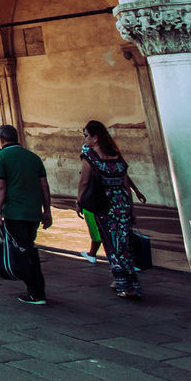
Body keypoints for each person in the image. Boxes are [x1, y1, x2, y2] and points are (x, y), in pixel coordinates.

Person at [77, 119, 146, 299]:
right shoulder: (115, 154)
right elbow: (124, 179)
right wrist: (131, 201)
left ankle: (125, 285)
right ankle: (124, 281)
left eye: (86, 136)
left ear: (95, 137)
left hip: (104, 204)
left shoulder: (91, 157)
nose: (85, 140)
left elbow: (84, 181)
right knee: (124, 244)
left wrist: (79, 201)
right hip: (121, 202)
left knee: (111, 244)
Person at [0, 124, 53, 305]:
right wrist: (47, 210)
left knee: (24, 252)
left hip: (14, 212)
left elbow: (0, 187)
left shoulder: (0, 157)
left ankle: (36, 292)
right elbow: (44, 186)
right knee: (28, 247)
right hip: (33, 213)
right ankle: (36, 290)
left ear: (1, 140)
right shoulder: (33, 158)